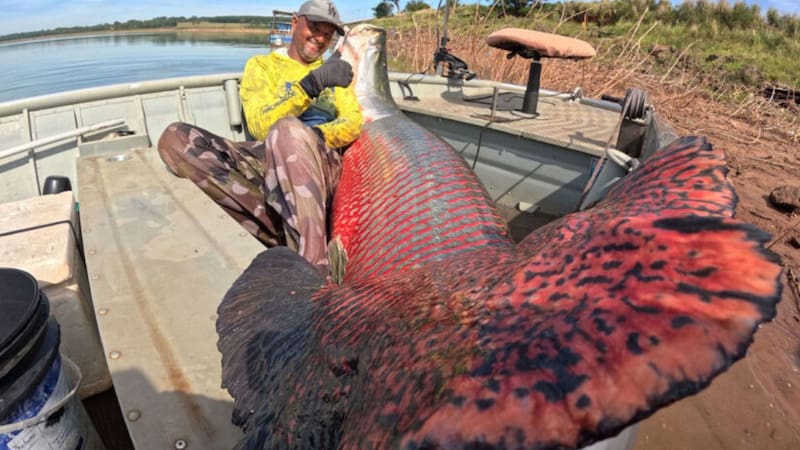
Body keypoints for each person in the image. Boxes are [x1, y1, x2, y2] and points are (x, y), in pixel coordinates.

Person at [157, 0, 363, 276]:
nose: (321, 38)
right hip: (267, 155)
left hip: (322, 162)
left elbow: (352, 123)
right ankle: (287, 236)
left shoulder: (337, 73)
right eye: (315, 28)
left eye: (328, 34)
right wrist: (310, 86)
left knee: (288, 130)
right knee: (175, 139)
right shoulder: (261, 66)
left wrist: (309, 136)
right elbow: (259, 126)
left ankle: (315, 270)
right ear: (294, 23)